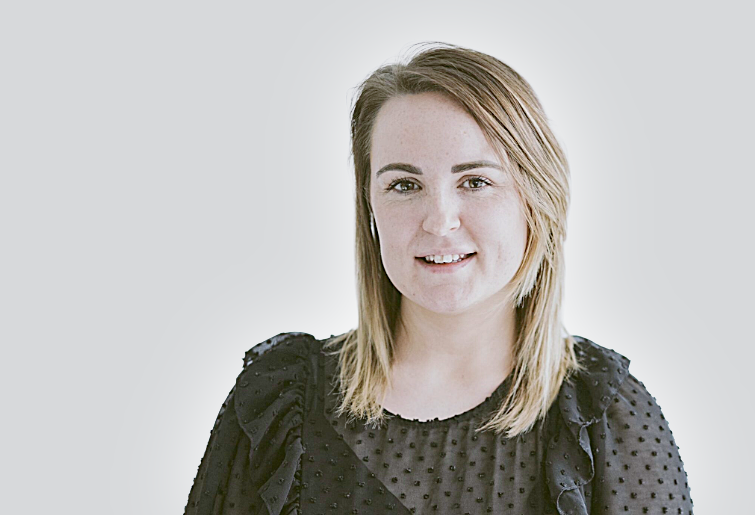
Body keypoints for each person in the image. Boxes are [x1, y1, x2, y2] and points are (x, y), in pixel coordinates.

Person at [184, 42, 694, 515]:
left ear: (535, 201)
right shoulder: (278, 403)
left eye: (475, 181)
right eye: (405, 185)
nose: (439, 219)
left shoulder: (608, 418)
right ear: (371, 210)